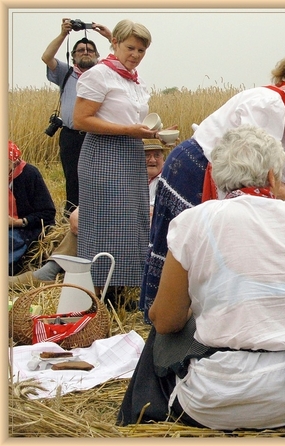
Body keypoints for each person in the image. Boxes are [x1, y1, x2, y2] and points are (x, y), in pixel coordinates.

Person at [118, 125, 285, 430]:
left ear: (216, 175)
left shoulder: (195, 221)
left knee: (161, 326)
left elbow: (166, 320)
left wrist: (194, 310)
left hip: (224, 397)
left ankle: (138, 418)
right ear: (271, 177)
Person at [139, 54, 285, 323]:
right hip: (197, 167)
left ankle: (201, 315)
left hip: (223, 173)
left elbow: (279, 179)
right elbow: (254, 168)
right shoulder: (270, 105)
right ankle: (163, 317)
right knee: (184, 242)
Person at [9, 139, 168, 288]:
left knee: (101, 222)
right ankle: (60, 272)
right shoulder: (128, 178)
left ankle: (54, 272)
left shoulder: (167, 182)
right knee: (88, 220)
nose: (152, 160)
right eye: (146, 155)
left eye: (157, 155)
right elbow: (102, 199)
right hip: (125, 223)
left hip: (148, 230)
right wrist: (80, 210)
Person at [73, 19, 156, 295]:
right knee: (104, 222)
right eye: (130, 48)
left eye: (141, 51)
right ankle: (94, 295)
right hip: (103, 154)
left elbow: (131, 119)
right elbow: (81, 120)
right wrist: (128, 130)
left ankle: (118, 290)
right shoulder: (99, 75)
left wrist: (151, 133)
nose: (135, 55)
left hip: (131, 152)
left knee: (130, 221)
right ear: (116, 44)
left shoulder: (136, 80)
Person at [42, 18, 112, 216]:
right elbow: (47, 57)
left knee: (99, 179)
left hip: (98, 135)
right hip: (71, 136)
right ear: (73, 56)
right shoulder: (66, 73)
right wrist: (64, 33)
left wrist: (109, 36)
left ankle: (98, 216)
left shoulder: (104, 73)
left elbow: (123, 58)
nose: (86, 52)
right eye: (80, 50)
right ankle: (71, 219)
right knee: (73, 179)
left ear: (98, 56)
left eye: (90, 50)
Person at [8, 141, 56, 275]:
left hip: (27, 228)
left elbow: (48, 214)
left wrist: (18, 222)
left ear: (13, 162)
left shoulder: (29, 174)